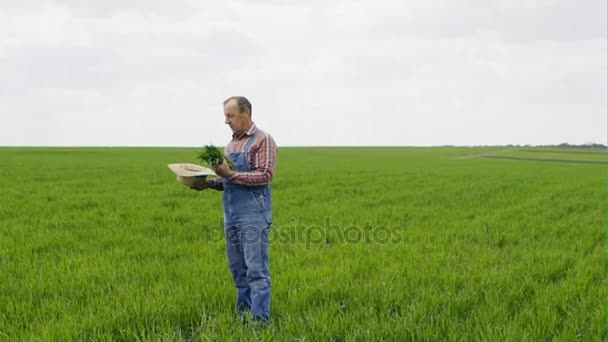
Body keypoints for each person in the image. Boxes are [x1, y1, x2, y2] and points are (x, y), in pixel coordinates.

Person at [191, 96, 277, 324]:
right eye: (225, 116)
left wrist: (229, 174)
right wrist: (208, 183)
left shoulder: (263, 140)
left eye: (230, 116)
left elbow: (265, 175)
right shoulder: (230, 145)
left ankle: (259, 324)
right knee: (239, 270)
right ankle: (243, 317)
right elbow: (229, 181)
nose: (226, 121)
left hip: (253, 216)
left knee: (256, 271)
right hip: (232, 215)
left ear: (245, 113)